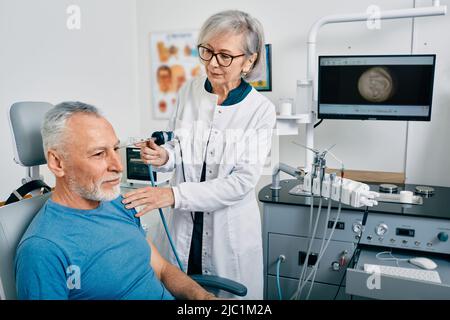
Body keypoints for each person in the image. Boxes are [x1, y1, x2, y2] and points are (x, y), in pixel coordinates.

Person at [123, 10, 276, 299]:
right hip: (183, 226)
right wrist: (164, 156)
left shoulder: (260, 111)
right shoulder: (189, 92)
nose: (212, 63)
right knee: (181, 290)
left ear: (250, 60)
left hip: (228, 233)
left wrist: (174, 195)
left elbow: (241, 182)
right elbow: (180, 146)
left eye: (225, 56)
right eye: (206, 51)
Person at [14, 102, 215, 300]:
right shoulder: (43, 250)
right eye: (99, 154)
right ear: (57, 163)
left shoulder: (119, 203)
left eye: (115, 149)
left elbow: (161, 269)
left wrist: (204, 298)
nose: (118, 166)